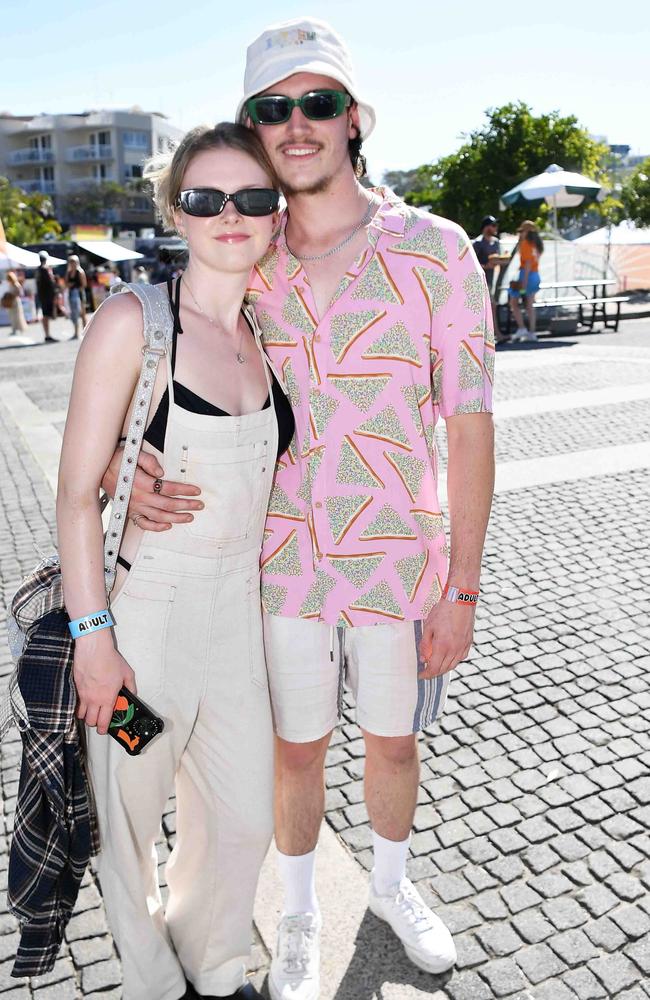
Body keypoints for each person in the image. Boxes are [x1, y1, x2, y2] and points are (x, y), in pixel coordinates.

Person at [103, 18, 495, 1000]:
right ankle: (297, 914)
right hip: (283, 563)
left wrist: (463, 586)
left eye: (316, 101)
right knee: (294, 751)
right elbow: (174, 353)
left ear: (353, 118)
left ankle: (393, 890)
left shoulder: (435, 251)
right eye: (272, 107)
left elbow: (471, 425)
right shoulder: (247, 249)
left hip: (398, 556)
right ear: (252, 125)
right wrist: (126, 459)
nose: (296, 123)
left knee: (394, 741)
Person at [57, 122, 294, 1000]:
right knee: (127, 811)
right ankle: (154, 982)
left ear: (275, 215)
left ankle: (212, 957)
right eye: (205, 199)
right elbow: (76, 491)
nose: (230, 215)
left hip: (236, 631)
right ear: (177, 213)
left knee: (241, 817)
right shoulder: (133, 321)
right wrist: (95, 639)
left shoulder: (274, 334)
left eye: (252, 197)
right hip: (140, 630)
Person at [473, 215, 509, 342]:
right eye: (493, 225)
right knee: (488, 308)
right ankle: (495, 335)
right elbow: (472, 264)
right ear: (486, 227)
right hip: (481, 282)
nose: (496, 228)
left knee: (491, 308)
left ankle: (493, 335)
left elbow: (498, 258)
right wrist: (486, 266)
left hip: (492, 281)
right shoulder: (478, 243)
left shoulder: (496, 242)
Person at [508, 220, 544, 342]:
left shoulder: (526, 244)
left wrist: (523, 282)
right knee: (529, 304)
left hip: (527, 275)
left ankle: (522, 328)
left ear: (526, 231)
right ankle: (532, 332)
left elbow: (528, 264)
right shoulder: (537, 245)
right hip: (535, 275)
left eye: (522, 231)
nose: (520, 233)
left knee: (513, 301)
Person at [35, 250, 57, 342]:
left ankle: (47, 334)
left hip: (42, 295)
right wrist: (55, 293)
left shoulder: (38, 270)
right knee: (47, 315)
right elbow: (51, 283)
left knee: (46, 315)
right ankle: (47, 335)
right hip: (48, 295)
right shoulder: (45, 269)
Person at [65, 254, 87, 338]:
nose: (72, 264)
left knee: (82, 313)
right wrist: (70, 285)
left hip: (79, 294)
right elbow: (66, 283)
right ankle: (76, 332)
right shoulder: (69, 272)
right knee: (74, 313)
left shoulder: (80, 272)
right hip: (72, 294)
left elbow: (84, 284)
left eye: (73, 262)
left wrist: (76, 287)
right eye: (71, 262)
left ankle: (85, 331)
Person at [3, 271, 28, 335]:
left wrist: (12, 295)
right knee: (12, 316)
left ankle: (20, 328)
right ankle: (14, 329)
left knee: (17, 315)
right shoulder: (10, 284)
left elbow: (19, 293)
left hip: (15, 301)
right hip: (11, 301)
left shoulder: (16, 284)